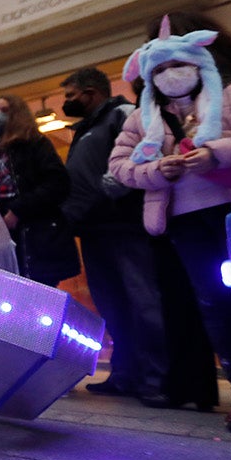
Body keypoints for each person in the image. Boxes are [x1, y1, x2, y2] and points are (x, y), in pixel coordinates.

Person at [109, 17, 231, 434]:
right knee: (215, 304)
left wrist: (220, 152)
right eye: (157, 69)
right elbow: (121, 167)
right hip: (185, 223)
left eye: (175, 65)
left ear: (201, 60)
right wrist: (159, 169)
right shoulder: (143, 120)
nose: (168, 75)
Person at [58, 67, 174, 406]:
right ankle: (125, 374)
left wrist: (109, 191)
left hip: (123, 226)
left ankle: (157, 379)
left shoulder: (120, 115)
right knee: (112, 305)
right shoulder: (85, 129)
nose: (67, 102)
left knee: (143, 301)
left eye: (70, 95)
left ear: (91, 92)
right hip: (93, 229)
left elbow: (139, 155)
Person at [0, 95, 78, 287]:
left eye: (4, 111)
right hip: (7, 237)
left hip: (37, 236)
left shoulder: (35, 144)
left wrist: (18, 210)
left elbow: (58, 183)